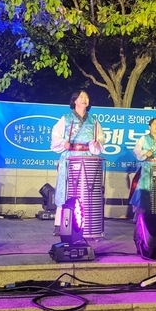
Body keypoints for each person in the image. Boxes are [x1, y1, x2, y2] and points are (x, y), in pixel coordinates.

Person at [50, 91, 105, 233]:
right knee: (66, 190)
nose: (84, 99)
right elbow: (56, 135)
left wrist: (96, 143)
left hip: (87, 158)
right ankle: (60, 224)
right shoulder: (66, 118)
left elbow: (100, 137)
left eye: (86, 97)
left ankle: (85, 225)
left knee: (86, 191)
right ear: (74, 100)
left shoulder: (93, 120)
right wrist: (64, 143)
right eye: (81, 97)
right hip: (70, 156)